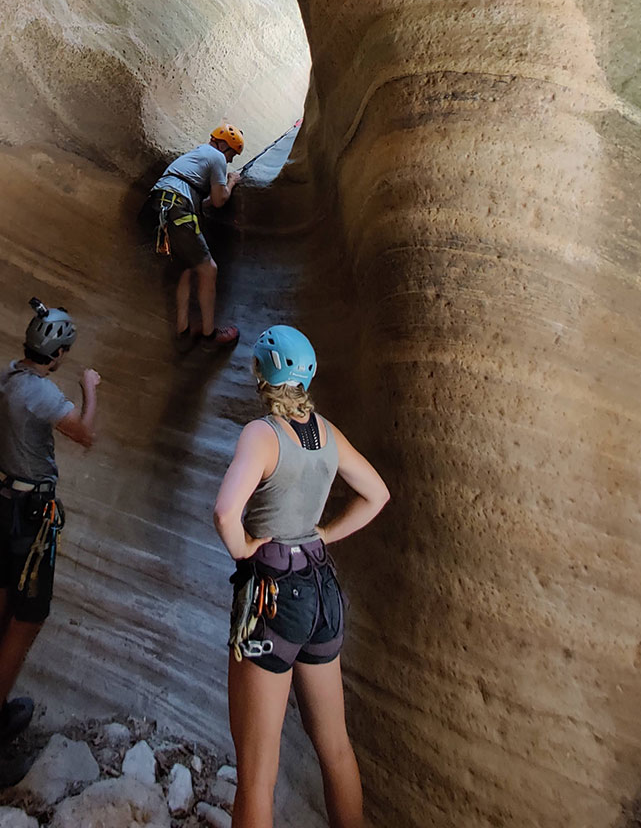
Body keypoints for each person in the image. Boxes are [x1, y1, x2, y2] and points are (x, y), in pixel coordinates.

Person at [213, 326, 389, 828]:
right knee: (335, 750)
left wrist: (245, 549)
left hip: (271, 598)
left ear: (260, 375)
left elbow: (226, 512)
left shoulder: (262, 435)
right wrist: (324, 535)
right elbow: (377, 495)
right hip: (323, 590)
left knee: (256, 776)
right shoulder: (329, 435)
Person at [0, 297, 100, 778]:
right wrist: (89, 390)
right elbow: (85, 434)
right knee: (27, 618)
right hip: (29, 514)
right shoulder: (42, 396)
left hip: (3, 500)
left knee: (2, 603)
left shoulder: (6, 377)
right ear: (59, 354)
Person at [152, 123, 244, 352]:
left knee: (186, 267)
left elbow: (202, 202)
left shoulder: (196, 154)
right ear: (224, 145)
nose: (230, 161)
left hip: (160, 206)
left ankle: (183, 328)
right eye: (232, 154)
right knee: (208, 269)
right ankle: (209, 335)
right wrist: (231, 181)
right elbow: (219, 200)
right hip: (178, 208)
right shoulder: (216, 157)